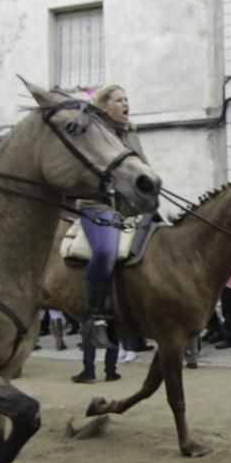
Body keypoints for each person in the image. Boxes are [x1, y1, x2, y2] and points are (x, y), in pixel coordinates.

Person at [70, 84, 145, 384]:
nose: (126, 103)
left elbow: (142, 168)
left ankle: (111, 368)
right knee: (104, 252)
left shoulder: (131, 133)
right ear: (104, 105)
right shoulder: (93, 132)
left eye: (127, 99)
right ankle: (93, 309)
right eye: (119, 100)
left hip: (128, 208)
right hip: (97, 206)